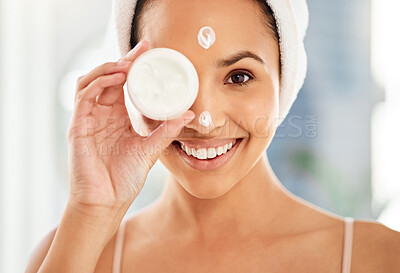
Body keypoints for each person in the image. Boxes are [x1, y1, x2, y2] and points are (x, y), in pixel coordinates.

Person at [25, 0, 400, 272]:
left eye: (239, 77)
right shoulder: (70, 254)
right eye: (173, 76)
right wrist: (90, 213)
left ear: (285, 78)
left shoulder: (379, 259)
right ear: (132, 82)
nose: (204, 119)